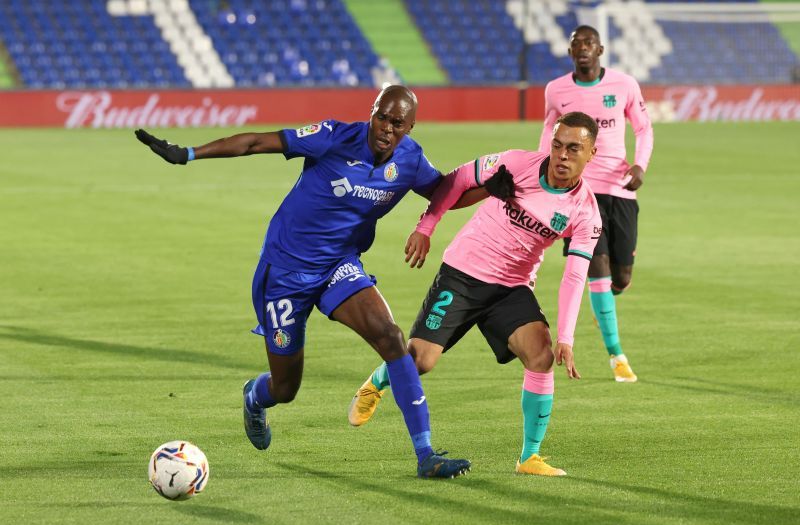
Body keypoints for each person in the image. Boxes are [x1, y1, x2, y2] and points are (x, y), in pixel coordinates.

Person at [134, 85, 470, 479]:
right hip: (285, 274)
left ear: (410, 127)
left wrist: (497, 188)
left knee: (391, 338)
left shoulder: (411, 161)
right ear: (372, 111)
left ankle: (426, 455)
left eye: (397, 123)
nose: (386, 128)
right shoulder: (334, 137)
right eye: (381, 116)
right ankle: (255, 396)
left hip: (338, 268)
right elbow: (257, 142)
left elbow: (446, 190)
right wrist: (189, 153)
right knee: (286, 388)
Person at [348, 112, 602, 476]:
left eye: (573, 149)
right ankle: (376, 383)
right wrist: (427, 226)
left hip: (511, 287)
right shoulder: (516, 163)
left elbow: (575, 274)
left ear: (591, 152)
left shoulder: (586, 212)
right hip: (464, 274)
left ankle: (529, 457)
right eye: (557, 145)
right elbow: (457, 180)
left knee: (541, 356)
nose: (562, 155)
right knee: (420, 361)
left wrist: (566, 337)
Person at [538, 25, 654, 382]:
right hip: (579, 195)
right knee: (597, 271)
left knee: (621, 277)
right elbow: (548, 133)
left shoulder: (624, 85)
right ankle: (617, 355)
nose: (583, 48)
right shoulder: (556, 90)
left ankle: (604, 307)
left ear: (600, 49)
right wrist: (545, 175)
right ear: (571, 51)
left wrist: (640, 165)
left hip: (620, 191)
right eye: (576, 44)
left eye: (588, 43)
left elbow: (644, 128)